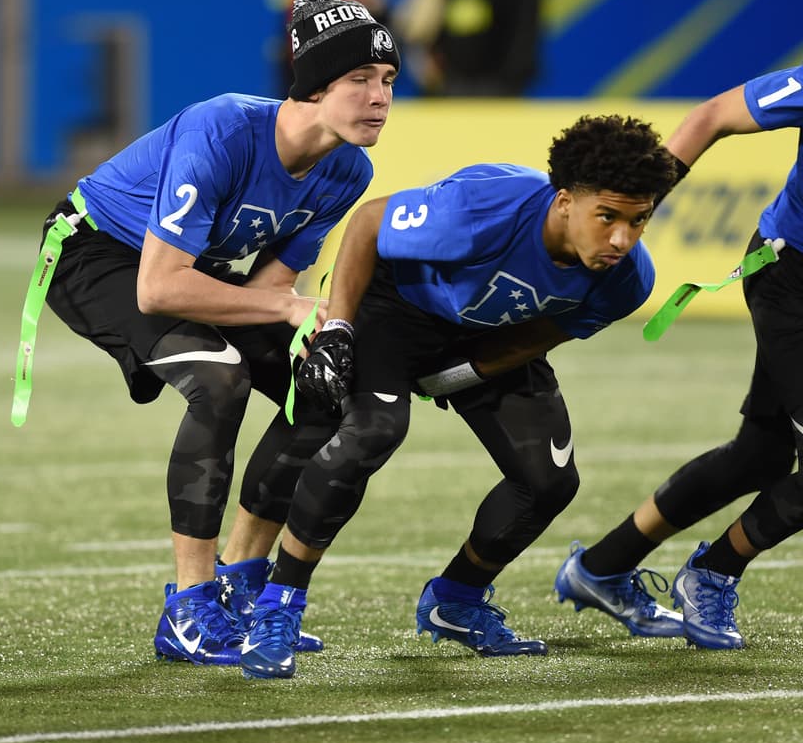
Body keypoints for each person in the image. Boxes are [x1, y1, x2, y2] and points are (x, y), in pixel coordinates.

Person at [26, 0, 400, 665]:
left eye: (387, 78)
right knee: (220, 378)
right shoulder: (224, 128)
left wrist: (304, 330)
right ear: (315, 84)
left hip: (179, 268)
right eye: (359, 78)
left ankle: (241, 582)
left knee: (322, 383)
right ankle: (190, 606)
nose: (380, 96)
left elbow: (272, 284)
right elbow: (160, 286)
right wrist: (289, 310)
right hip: (94, 252)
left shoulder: (347, 171)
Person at [236, 114, 677, 679]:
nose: (622, 239)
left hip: (487, 335)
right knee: (372, 432)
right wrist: (341, 330)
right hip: (393, 311)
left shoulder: (627, 280)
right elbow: (369, 224)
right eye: (608, 217)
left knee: (548, 482)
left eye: (639, 220)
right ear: (565, 201)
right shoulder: (481, 210)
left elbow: (545, 332)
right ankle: (279, 605)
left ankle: (457, 600)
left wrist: (464, 374)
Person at [554, 64, 803, 650]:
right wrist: (637, 209)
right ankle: (713, 572)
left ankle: (602, 566)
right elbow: (712, 116)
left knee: (761, 455)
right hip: (791, 280)